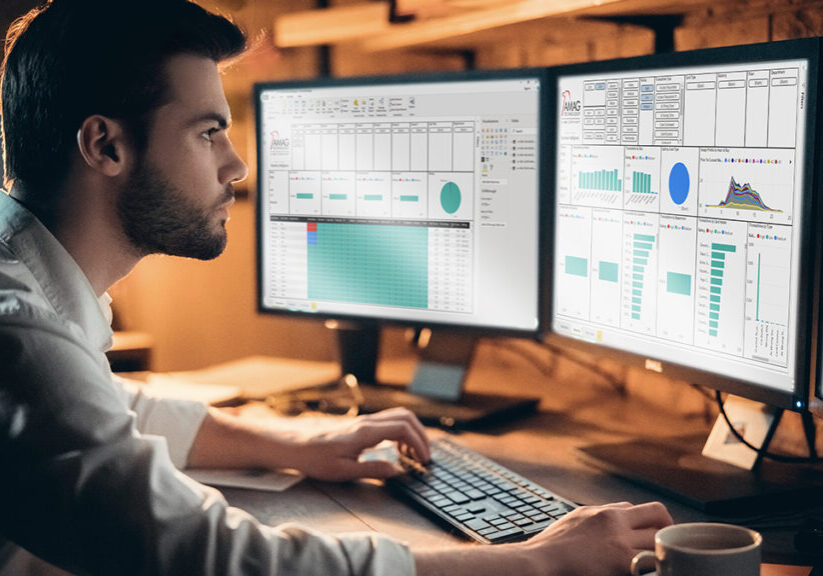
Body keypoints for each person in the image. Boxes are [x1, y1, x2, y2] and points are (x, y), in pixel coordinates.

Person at [0, 1, 673, 575]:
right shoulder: (19, 331)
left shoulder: (32, 296)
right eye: (208, 133)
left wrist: (288, 444)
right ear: (104, 146)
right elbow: (212, 557)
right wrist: (532, 562)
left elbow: (102, 407)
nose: (235, 166)